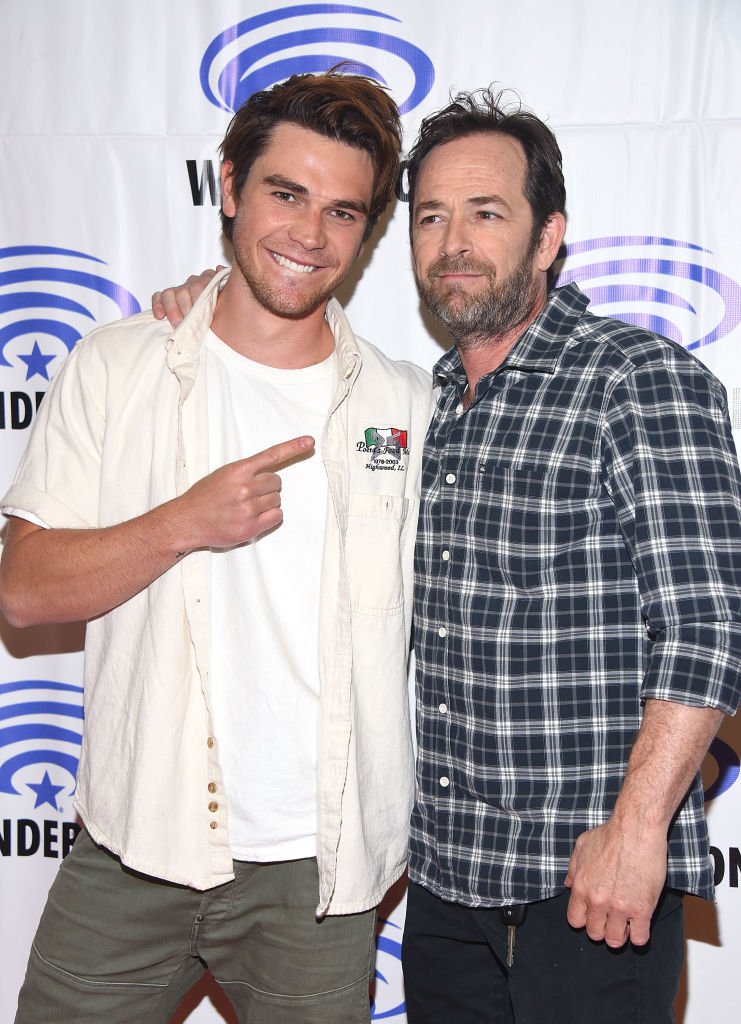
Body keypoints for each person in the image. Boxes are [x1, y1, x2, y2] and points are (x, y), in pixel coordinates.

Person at [160, 87, 741, 1024]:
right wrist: (204, 302)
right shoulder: (424, 402)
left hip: (586, 888)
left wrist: (636, 837)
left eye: (486, 213)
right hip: (445, 891)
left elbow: (709, 624)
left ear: (547, 237)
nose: (453, 241)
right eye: (430, 215)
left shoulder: (636, 380)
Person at [0, 70, 432, 1024]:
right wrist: (180, 523)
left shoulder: (407, 406)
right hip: (134, 847)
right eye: (285, 194)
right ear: (229, 186)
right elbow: (23, 591)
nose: (309, 235)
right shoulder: (118, 366)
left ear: (367, 232)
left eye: (342, 211)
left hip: (316, 879)